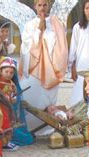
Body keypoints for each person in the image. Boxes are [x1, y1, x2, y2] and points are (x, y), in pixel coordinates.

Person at [19, 0, 68, 135]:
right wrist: (38, 31)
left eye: (44, 5)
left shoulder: (55, 22)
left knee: (47, 97)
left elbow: (61, 44)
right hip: (35, 65)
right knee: (33, 95)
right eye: (39, 5)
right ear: (35, 6)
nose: (42, 8)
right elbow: (26, 44)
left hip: (51, 66)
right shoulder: (30, 24)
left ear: (49, 6)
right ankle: (31, 125)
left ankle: (46, 125)